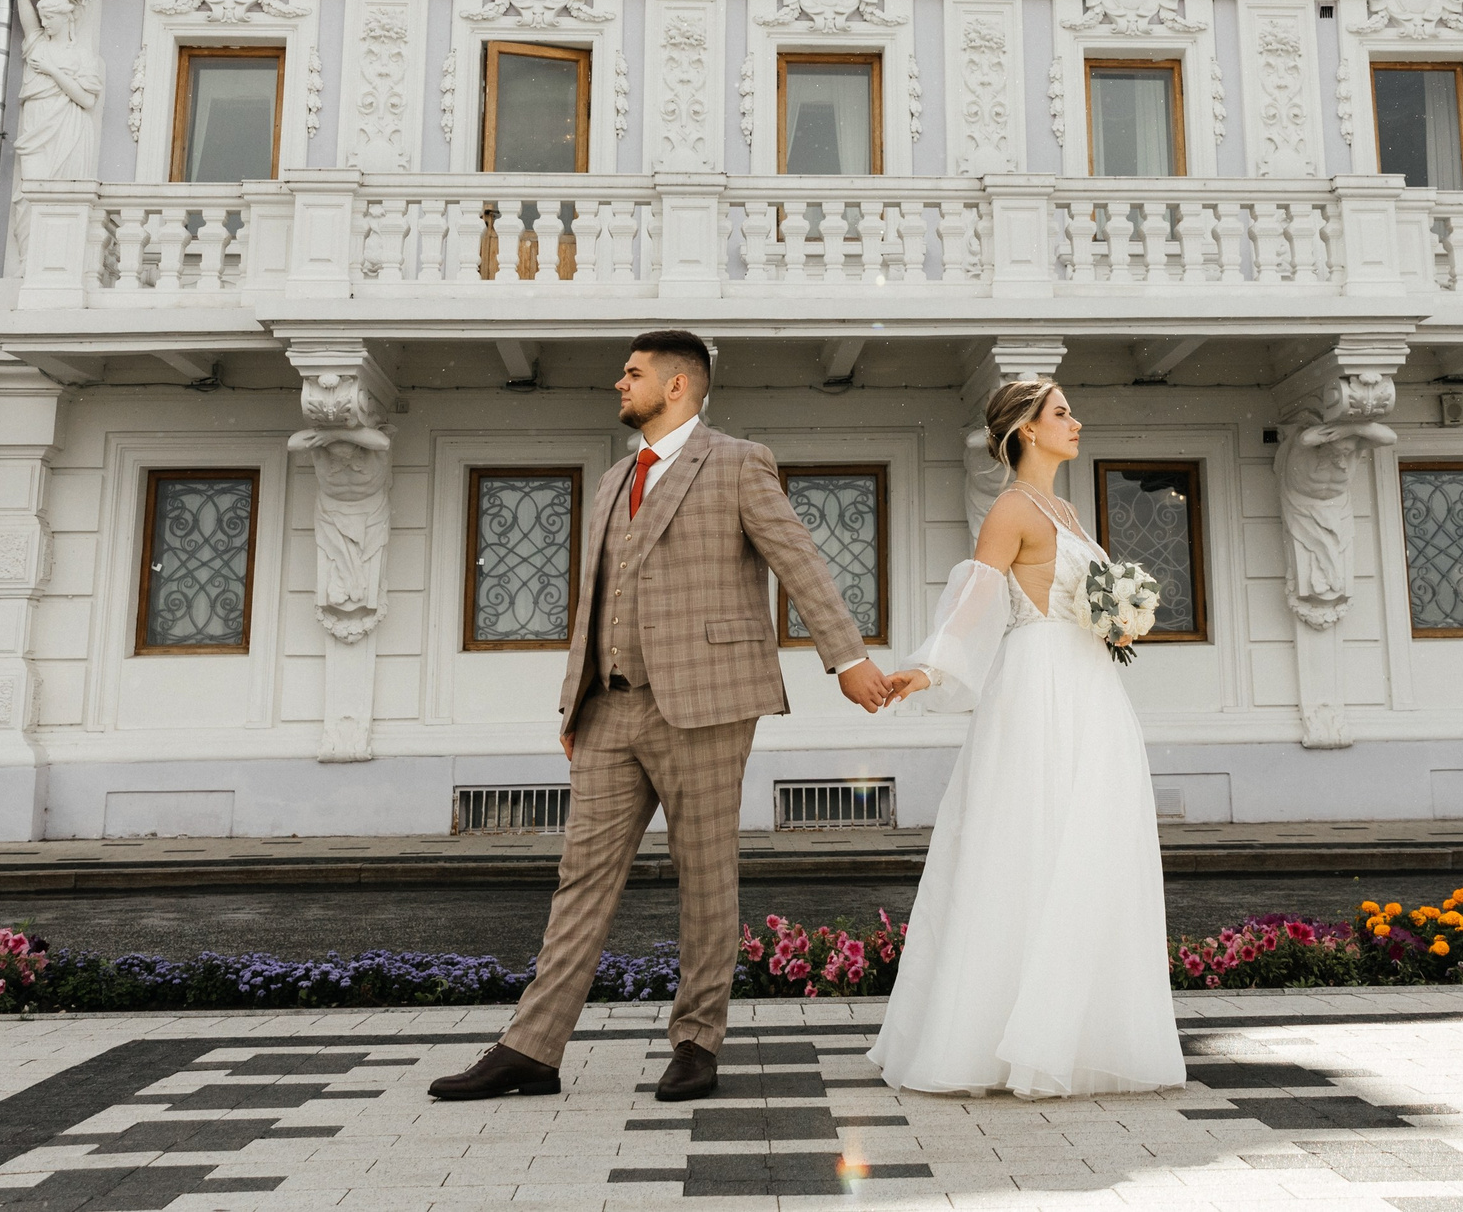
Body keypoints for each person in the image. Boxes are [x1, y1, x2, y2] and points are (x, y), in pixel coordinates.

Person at [430, 330, 894, 1105]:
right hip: (611, 708)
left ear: (678, 385)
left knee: (705, 879)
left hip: (707, 704)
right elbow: (595, 596)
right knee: (580, 879)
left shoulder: (739, 462)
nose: (620, 382)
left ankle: (695, 1042)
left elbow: (800, 561)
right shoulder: (616, 478)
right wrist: (574, 699)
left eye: (633, 372)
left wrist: (848, 661)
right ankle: (531, 1048)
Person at [868, 380, 1186, 1098]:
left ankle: (1076, 1032)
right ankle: (992, 1036)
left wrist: (1120, 616)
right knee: (1028, 842)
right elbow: (979, 594)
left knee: (1091, 846)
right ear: (1027, 431)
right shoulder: (1012, 508)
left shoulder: (1066, 509)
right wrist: (928, 668)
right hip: (1040, 687)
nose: (1077, 421)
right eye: (1062, 413)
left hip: (1090, 687)